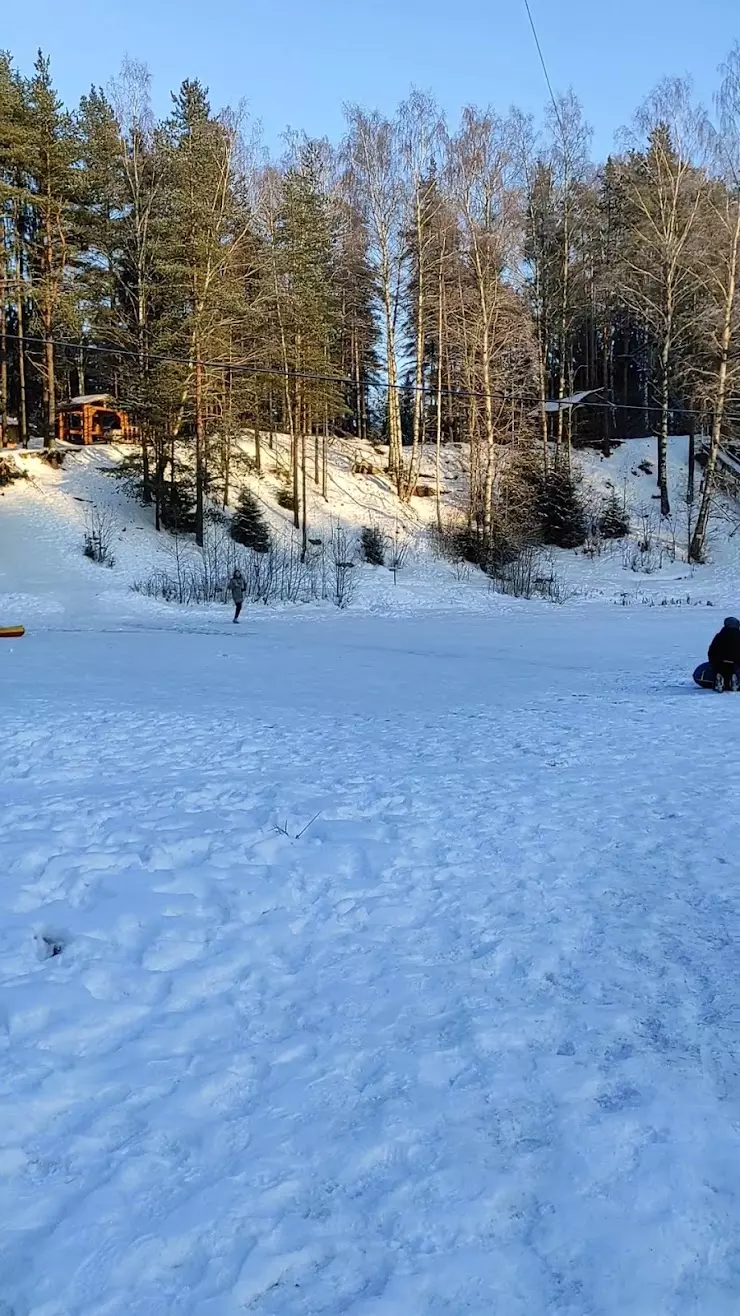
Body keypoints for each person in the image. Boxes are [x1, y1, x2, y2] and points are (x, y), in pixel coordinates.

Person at [708, 616, 740, 691]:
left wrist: (712, 661)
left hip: (719, 662)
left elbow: (711, 651)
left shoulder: (719, 636)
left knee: (716, 669)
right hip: (736, 662)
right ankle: (735, 680)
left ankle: (718, 678)